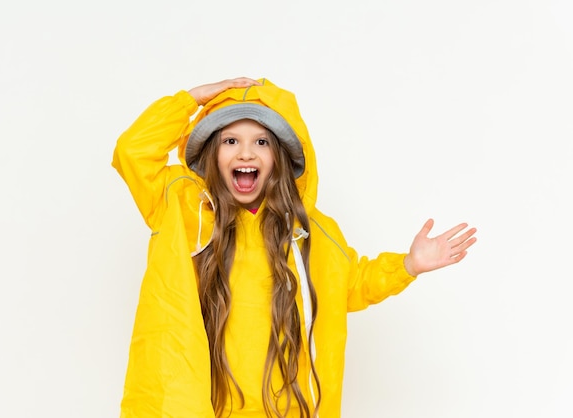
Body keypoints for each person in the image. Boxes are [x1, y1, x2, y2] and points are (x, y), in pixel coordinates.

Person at [112, 77, 477, 418]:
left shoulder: (309, 230)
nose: (246, 154)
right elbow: (133, 151)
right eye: (230, 141)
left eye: (261, 142)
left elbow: (348, 284)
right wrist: (193, 99)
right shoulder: (183, 208)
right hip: (202, 405)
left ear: (279, 157)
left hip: (287, 406)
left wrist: (408, 265)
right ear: (212, 153)